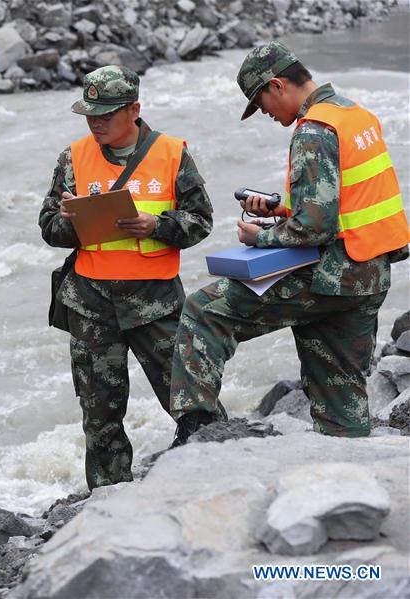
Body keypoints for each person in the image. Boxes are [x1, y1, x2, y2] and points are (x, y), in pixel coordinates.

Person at [169, 41, 410, 445]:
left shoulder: (314, 130)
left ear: (278, 85)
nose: (268, 114)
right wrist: (283, 210)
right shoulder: (355, 114)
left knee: (204, 310)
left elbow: (313, 228)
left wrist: (260, 236)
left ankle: (199, 433)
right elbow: (346, 201)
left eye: (262, 104)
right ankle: (350, 462)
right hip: (369, 275)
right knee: (340, 391)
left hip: (330, 276)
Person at [39, 65, 213, 489]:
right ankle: (108, 502)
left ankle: (215, 477)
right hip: (91, 306)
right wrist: (71, 221)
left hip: (156, 306)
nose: (95, 122)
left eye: (106, 114)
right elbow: (48, 227)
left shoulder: (172, 153)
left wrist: (157, 225)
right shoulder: (72, 157)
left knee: (192, 403)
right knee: (100, 418)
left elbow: (201, 221)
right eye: (89, 114)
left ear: (134, 109)